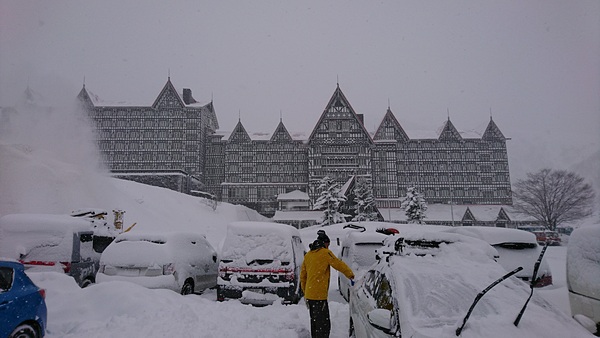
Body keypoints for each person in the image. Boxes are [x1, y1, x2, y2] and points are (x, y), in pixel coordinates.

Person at [301, 230, 355, 338]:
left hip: (310, 295)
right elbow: (338, 264)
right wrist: (350, 274)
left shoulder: (308, 255)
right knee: (324, 325)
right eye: (328, 244)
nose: (328, 247)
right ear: (324, 243)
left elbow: (303, 277)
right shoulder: (325, 253)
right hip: (319, 296)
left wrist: (306, 293)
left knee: (315, 323)